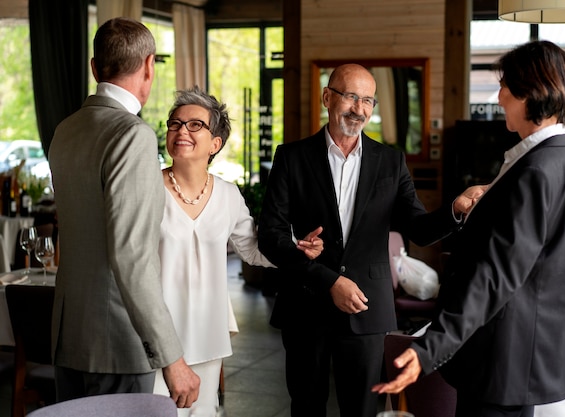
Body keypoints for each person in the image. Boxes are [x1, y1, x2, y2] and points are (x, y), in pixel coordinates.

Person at [372, 40, 565, 417]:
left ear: (530, 91)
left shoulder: (536, 171)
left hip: (501, 356)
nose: (500, 94)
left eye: (506, 84)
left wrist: (428, 348)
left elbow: (496, 276)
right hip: (523, 354)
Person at [257, 63, 482, 417]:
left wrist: (455, 207)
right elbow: (270, 236)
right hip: (305, 306)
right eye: (350, 97)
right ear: (327, 97)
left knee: (362, 410)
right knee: (306, 407)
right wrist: (330, 281)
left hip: (367, 309)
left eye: (368, 100)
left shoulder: (390, 162)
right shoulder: (292, 157)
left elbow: (419, 228)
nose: (359, 109)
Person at [48, 17, 200, 407]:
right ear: (149, 66)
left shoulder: (65, 129)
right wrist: (172, 357)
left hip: (69, 338)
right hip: (116, 342)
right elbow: (130, 256)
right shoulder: (131, 135)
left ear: (95, 68)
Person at [151, 86, 324, 416]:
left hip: (206, 331)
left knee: (201, 413)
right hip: (158, 335)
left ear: (215, 143)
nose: (181, 130)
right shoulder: (146, 188)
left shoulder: (229, 195)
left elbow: (254, 251)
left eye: (194, 125)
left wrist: (296, 248)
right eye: (175, 123)